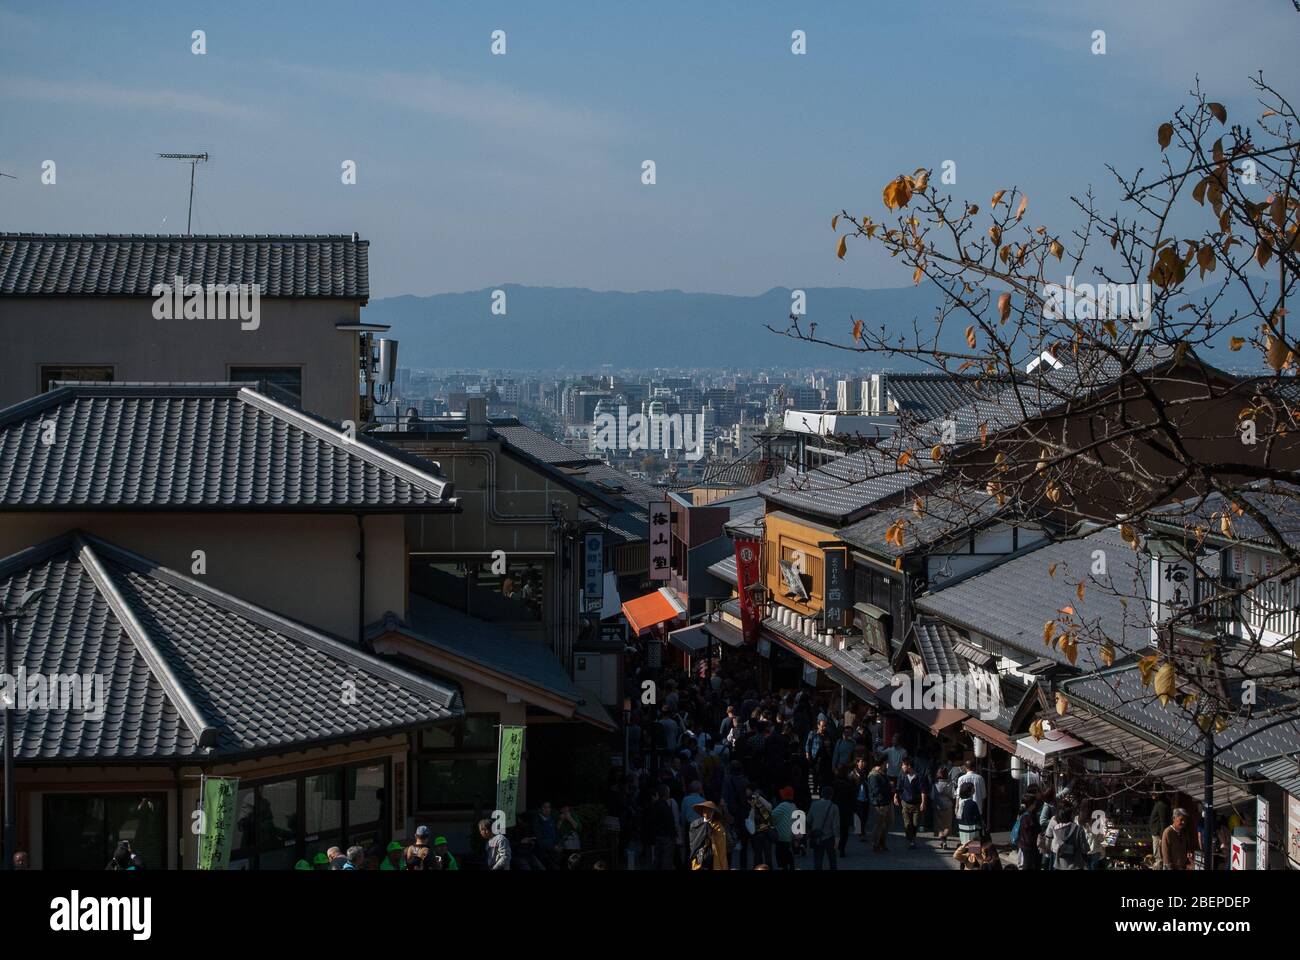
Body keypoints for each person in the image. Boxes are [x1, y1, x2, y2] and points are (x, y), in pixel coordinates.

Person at [894, 758, 930, 849]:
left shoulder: (918, 776)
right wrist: (895, 797)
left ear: (909, 766)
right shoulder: (902, 776)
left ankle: (912, 838)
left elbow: (923, 790)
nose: (902, 767)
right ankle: (911, 839)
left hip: (916, 803)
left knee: (915, 823)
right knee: (907, 823)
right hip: (905, 802)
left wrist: (923, 802)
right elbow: (898, 787)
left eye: (903, 765)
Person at [688, 800, 730, 870]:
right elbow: (693, 840)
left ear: (713, 813)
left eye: (710, 811)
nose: (707, 813)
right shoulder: (696, 824)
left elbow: (721, 846)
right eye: (705, 811)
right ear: (702, 812)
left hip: (713, 857)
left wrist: (711, 835)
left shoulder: (718, 826)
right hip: (699, 856)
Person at [1048, 801, 1087, 870]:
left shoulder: (1056, 829)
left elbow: (1049, 837)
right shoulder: (1079, 829)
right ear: (1072, 815)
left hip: (1059, 865)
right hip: (1076, 865)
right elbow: (1084, 848)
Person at [808, 784, 840, 870]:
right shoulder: (834, 807)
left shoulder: (814, 804)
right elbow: (836, 825)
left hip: (817, 836)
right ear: (831, 795)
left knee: (818, 861)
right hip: (830, 837)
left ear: (822, 794)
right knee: (832, 860)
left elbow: (808, 820)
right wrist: (837, 840)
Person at [867, 758, 893, 852]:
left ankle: (882, 842)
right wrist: (888, 787)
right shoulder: (873, 775)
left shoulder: (882, 773)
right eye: (886, 763)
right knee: (879, 825)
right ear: (882, 764)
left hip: (887, 802)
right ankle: (875, 843)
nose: (887, 765)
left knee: (888, 822)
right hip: (880, 804)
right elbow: (876, 791)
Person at [770, 786, 798, 869]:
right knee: (787, 852)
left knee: (781, 854)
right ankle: (791, 866)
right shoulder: (793, 805)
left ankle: (786, 867)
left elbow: (772, 816)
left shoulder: (783, 805)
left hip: (781, 834)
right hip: (789, 834)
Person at [1016, 793, 1042, 870]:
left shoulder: (1024, 814)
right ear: (1030, 804)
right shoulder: (1028, 816)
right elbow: (1034, 830)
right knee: (1029, 865)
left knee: (1028, 864)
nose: (1035, 804)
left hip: (1025, 844)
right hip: (1030, 845)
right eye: (1034, 802)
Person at [932, 764, 955, 849]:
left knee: (939, 826)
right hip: (948, 806)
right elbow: (953, 795)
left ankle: (943, 841)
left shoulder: (935, 785)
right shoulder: (950, 784)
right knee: (947, 825)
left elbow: (932, 796)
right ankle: (944, 841)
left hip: (938, 807)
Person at [956, 780, 982, 847]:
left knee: (965, 847)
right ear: (970, 791)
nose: (974, 790)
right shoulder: (972, 803)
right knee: (974, 849)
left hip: (962, 829)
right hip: (971, 830)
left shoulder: (961, 803)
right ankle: (973, 855)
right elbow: (978, 817)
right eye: (973, 788)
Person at [1149, 793, 1171, 868]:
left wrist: (1162, 837)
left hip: (1158, 834)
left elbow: (1163, 822)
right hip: (1156, 833)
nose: (1152, 796)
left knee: (1158, 856)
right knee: (1157, 855)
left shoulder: (1161, 805)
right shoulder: (1159, 804)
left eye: (1153, 794)